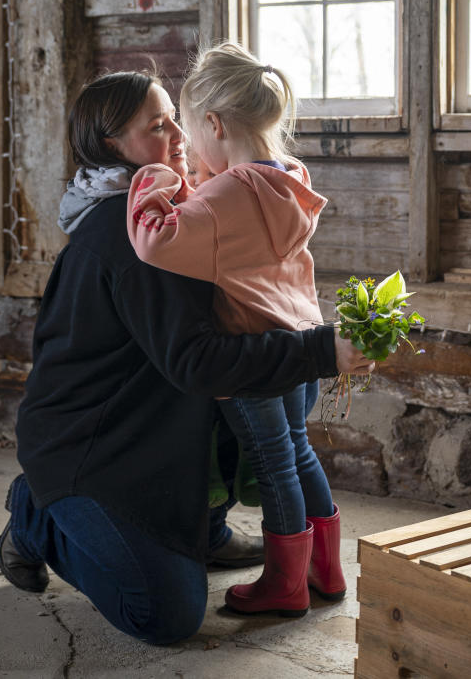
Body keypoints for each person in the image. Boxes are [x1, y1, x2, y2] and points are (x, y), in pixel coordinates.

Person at [0, 69, 373, 646]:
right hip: (93, 445)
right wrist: (322, 349)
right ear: (111, 147)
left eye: (177, 117)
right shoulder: (135, 233)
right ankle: (35, 512)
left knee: (248, 410)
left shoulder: (187, 203)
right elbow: (199, 363)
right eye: (156, 125)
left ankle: (205, 528)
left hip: (160, 427)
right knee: (164, 613)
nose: (178, 133)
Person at [126, 42, 344, 618]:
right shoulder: (289, 179)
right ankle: (327, 570)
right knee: (300, 454)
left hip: (254, 357)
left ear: (215, 125)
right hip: (301, 347)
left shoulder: (227, 194)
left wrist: (154, 179)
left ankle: (285, 584)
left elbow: (157, 240)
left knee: (274, 466)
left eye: (192, 135)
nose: (187, 149)